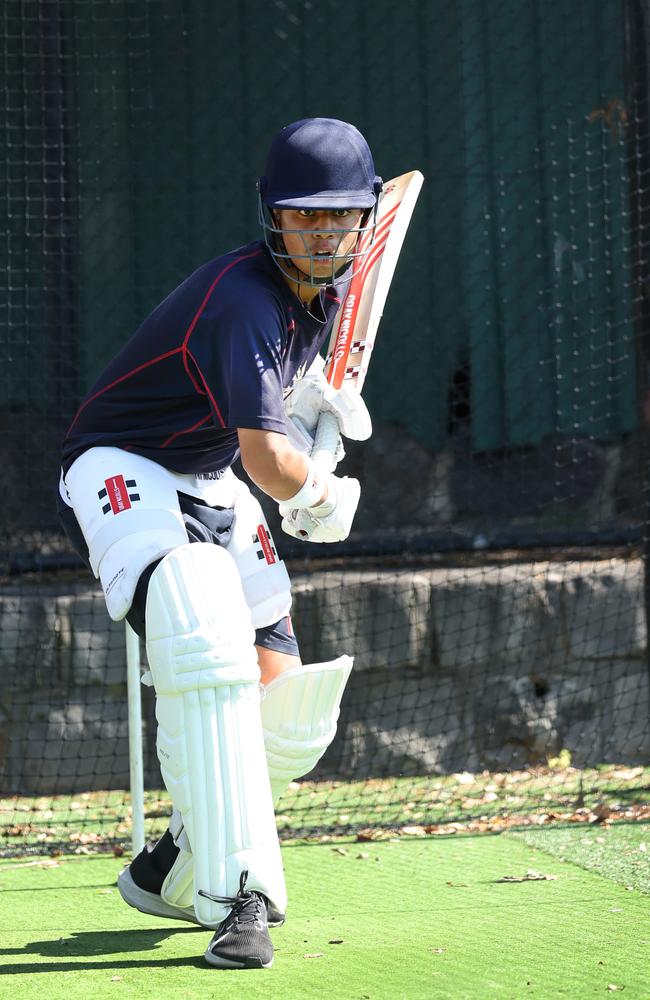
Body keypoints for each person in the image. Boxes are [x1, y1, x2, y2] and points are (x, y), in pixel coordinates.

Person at [58, 118, 382, 970]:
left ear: (363, 219)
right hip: (121, 465)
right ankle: (241, 896)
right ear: (272, 216)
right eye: (302, 216)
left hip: (205, 476)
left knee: (290, 718)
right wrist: (318, 489)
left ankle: (171, 861)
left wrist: (318, 411)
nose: (320, 233)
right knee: (201, 613)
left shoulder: (330, 294)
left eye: (337, 217)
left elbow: (280, 401)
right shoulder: (243, 298)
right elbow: (267, 461)